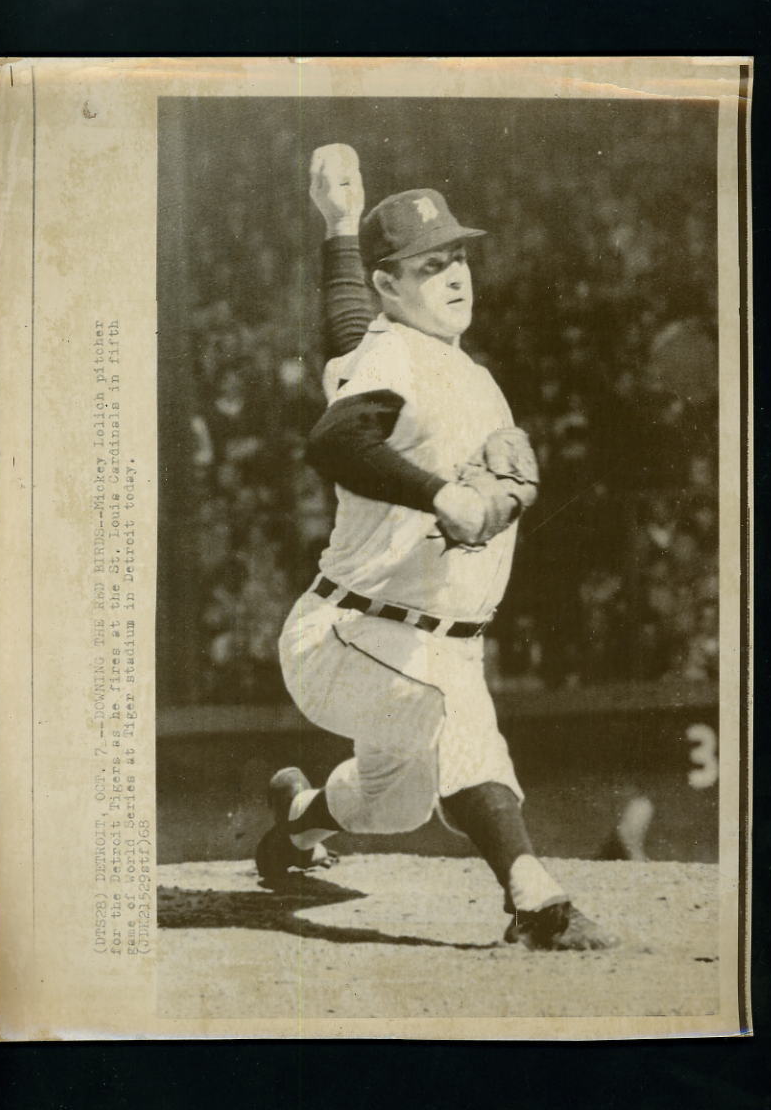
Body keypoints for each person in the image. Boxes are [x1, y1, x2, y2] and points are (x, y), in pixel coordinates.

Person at [257, 144, 615, 950]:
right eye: (428, 265)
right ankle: (534, 899)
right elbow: (336, 442)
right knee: (454, 720)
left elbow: (347, 319)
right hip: (349, 634)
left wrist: (341, 225)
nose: (455, 275)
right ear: (395, 285)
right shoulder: (395, 356)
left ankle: (299, 817)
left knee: (396, 802)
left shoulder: (432, 357)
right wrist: (442, 492)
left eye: (456, 257)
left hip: (430, 645)